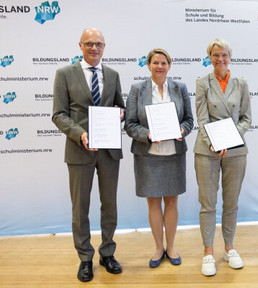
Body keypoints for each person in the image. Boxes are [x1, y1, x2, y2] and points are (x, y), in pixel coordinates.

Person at [52, 28, 125, 282]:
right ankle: (85, 258)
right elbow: (59, 114)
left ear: (104, 47)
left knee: (110, 205)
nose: (94, 48)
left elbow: (120, 106)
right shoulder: (64, 74)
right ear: (80, 46)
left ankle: (107, 253)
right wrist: (79, 133)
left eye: (99, 44)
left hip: (108, 151)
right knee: (80, 207)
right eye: (89, 44)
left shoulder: (113, 75)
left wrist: (121, 113)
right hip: (79, 150)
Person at [124, 48, 194, 268]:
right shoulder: (137, 89)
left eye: (164, 63)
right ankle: (158, 248)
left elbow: (189, 120)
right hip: (148, 155)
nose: (160, 66)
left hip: (173, 153)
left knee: (172, 202)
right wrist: (147, 135)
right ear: (148, 65)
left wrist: (181, 131)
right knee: (153, 202)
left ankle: (171, 247)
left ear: (169, 65)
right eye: (155, 62)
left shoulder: (180, 88)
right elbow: (130, 124)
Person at [194, 38, 252, 277]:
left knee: (231, 202)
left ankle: (229, 247)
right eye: (216, 55)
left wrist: (229, 139)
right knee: (207, 204)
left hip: (235, 150)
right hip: (207, 149)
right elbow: (202, 118)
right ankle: (208, 252)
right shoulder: (202, 82)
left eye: (224, 55)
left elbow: (246, 118)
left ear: (230, 57)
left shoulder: (241, 83)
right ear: (210, 57)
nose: (220, 59)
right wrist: (215, 143)